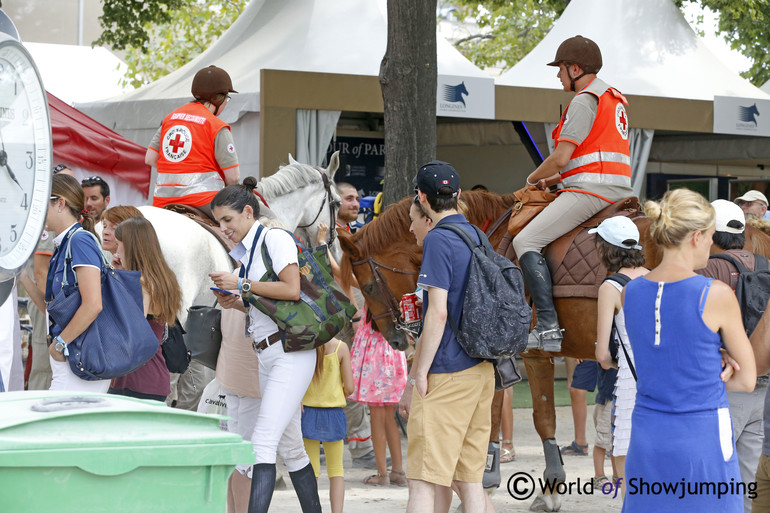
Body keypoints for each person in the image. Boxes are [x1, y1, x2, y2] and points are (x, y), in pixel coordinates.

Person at [622, 188, 756, 512]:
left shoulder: (631, 292)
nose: (712, 243)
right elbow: (746, 380)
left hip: (647, 435)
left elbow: (666, 351)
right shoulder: (715, 294)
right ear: (696, 236)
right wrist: (718, 360)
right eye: (710, 235)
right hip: (702, 435)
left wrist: (711, 354)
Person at [512, 35, 634, 353]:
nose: (558, 75)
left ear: (575, 68)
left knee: (524, 240)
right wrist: (551, 181)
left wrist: (532, 177)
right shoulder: (612, 99)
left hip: (591, 193)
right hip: (619, 190)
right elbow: (582, 162)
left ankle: (549, 328)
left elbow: (561, 157)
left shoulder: (583, 100)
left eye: (561, 68)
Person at [208, 178, 320, 513]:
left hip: (290, 354)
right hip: (268, 353)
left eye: (228, 220)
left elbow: (291, 290)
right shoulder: (250, 248)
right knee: (292, 448)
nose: (224, 228)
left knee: (262, 445)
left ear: (247, 212)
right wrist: (238, 302)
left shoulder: (275, 238)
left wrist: (240, 284)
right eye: (218, 223)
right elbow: (269, 303)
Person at [400, 161, 495, 513]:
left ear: (421, 197)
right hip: (481, 369)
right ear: (456, 195)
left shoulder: (439, 238)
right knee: (470, 482)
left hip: (447, 371)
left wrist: (418, 373)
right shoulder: (476, 234)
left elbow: (438, 312)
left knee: (423, 481)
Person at [698, 199, 768, 513]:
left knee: (711, 473)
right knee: (747, 478)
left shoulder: (709, 268)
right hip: (762, 385)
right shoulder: (765, 264)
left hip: (725, 383)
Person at [21, 174, 109, 392]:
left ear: (60, 203)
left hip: (79, 357)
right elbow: (51, 310)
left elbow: (93, 304)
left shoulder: (79, 241)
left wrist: (60, 343)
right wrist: (21, 275)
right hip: (69, 357)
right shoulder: (65, 243)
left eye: (42, 204)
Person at [592, 215, 648, 496]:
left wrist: (613, 360)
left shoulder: (610, 287)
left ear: (606, 249)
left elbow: (602, 353)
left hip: (629, 381)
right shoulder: (655, 277)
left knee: (628, 472)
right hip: (660, 379)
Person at [146, 65, 241, 217]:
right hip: (204, 201)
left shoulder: (170, 119)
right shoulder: (216, 126)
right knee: (252, 217)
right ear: (219, 98)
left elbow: (150, 158)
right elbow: (233, 177)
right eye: (226, 99)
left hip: (162, 201)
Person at [108, 217, 182, 402]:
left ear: (132, 247)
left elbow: (131, 330)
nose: (117, 251)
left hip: (137, 380)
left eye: (119, 245)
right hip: (146, 378)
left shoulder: (142, 283)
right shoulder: (160, 279)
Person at [349, 309, 408, 487]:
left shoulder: (373, 287)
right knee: (389, 417)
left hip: (374, 353)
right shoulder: (395, 290)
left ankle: (382, 474)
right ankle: (398, 471)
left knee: (376, 416)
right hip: (393, 351)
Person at [302, 338, 354, 513]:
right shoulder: (341, 347)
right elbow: (350, 388)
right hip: (333, 414)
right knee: (336, 470)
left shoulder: (306, 345)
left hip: (307, 413)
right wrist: (337, 392)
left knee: (312, 471)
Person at [560, 359, 596, 456]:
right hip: (591, 347)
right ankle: (580, 443)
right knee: (576, 389)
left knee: (611, 393)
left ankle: (613, 445)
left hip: (614, 347)